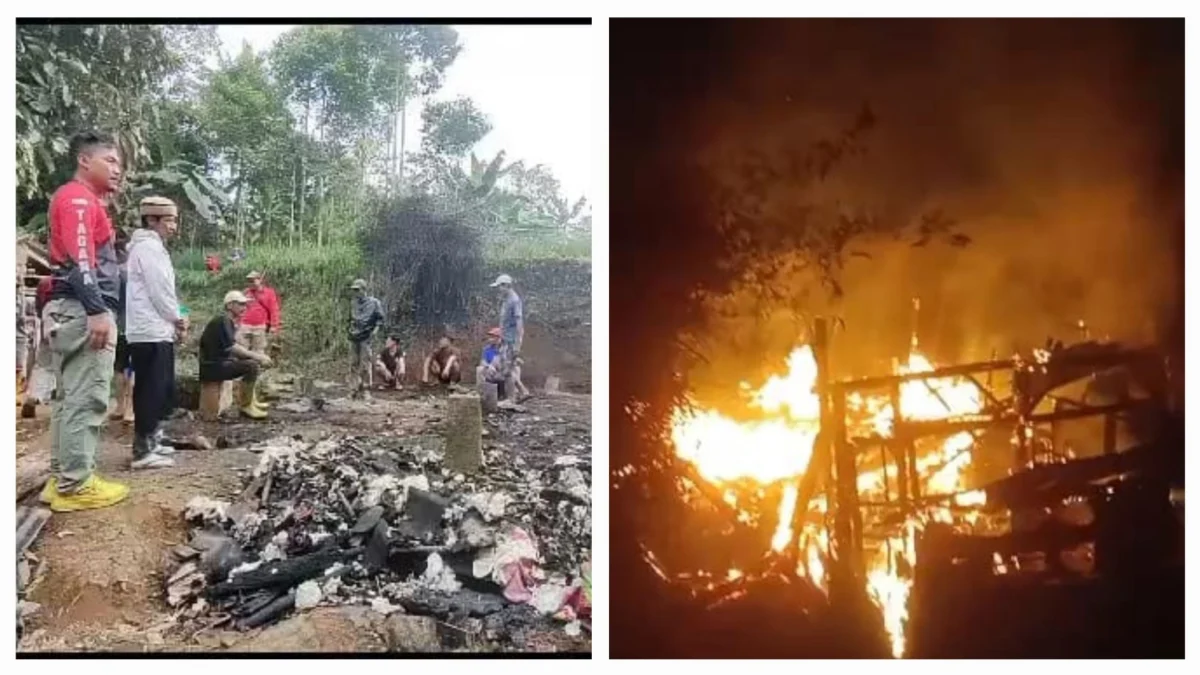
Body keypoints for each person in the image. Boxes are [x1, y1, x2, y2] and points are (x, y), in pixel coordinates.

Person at [41, 130, 129, 512]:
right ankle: (76, 486)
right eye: (110, 161)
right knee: (87, 397)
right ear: (83, 160)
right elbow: (80, 258)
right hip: (82, 308)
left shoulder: (80, 200)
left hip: (68, 307)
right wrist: (96, 309)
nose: (117, 170)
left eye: (119, 165)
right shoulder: (78, 199)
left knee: (67, 396)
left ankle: (61, 478)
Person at [126, 197, 188, 469]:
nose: (174, 226)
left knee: (160, 387)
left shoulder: (154, 248)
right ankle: (142, 449)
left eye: (175, 220)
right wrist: (178, 318)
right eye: (169, 220)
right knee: (150, 389)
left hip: (155, 329)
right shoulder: (148, 248)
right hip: (150, 330)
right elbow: (160, 291)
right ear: (151, 220)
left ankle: (153, 439)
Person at [198, 291, 271, 420]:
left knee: (249, 362)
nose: (244, 308)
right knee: (251, 366)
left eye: (245, 305)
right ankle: (246, 406)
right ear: (230, 305)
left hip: (217, 364)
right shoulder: (222, 321)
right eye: (241, 304)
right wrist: (257, 356)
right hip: (213, 367)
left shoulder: (227, 321)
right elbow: (232, 347)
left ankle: (250, 402)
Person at [109, 232, 135, 424]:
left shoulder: (110, 274)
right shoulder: (133, 273)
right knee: (133, 369)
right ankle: (130, 410)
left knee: (119, 368)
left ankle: (119, 406)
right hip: (134, 326)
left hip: (116, 325)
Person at [491, 274, 525, 407]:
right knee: (507, 368)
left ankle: (512, 399)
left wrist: (517, 343)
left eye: (500, 287)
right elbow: (504, 323)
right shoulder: (507, 299)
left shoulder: (514, 300)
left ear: (506, 285)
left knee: (508, 370)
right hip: (506, 339)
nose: (498, 289)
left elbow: (519, 323)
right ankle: (522, 392)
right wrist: (501, 337)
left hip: (511, 340)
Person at [347, 278, 384, 399]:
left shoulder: (374, 303)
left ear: (364, 290)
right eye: (354, 290)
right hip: (353, 336)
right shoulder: (353, 303)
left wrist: (375, 331)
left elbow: (380, 320)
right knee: (353, 363)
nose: (355, 292)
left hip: (366, 336)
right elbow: (349, 319)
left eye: (357, 290)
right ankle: (353, 389)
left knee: (365, 363)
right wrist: (349, 329)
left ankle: (366, 389)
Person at [239, 271, 281, 356]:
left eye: (252, 281)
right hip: (244, 325)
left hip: (260, 326)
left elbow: (274, 310)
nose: (250, 283)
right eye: (249, 281)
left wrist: (274, 326)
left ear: (259, 280)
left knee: (258, 352)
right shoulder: (245, 292)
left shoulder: (269, 292)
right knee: (242, 351)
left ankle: (257, 368)